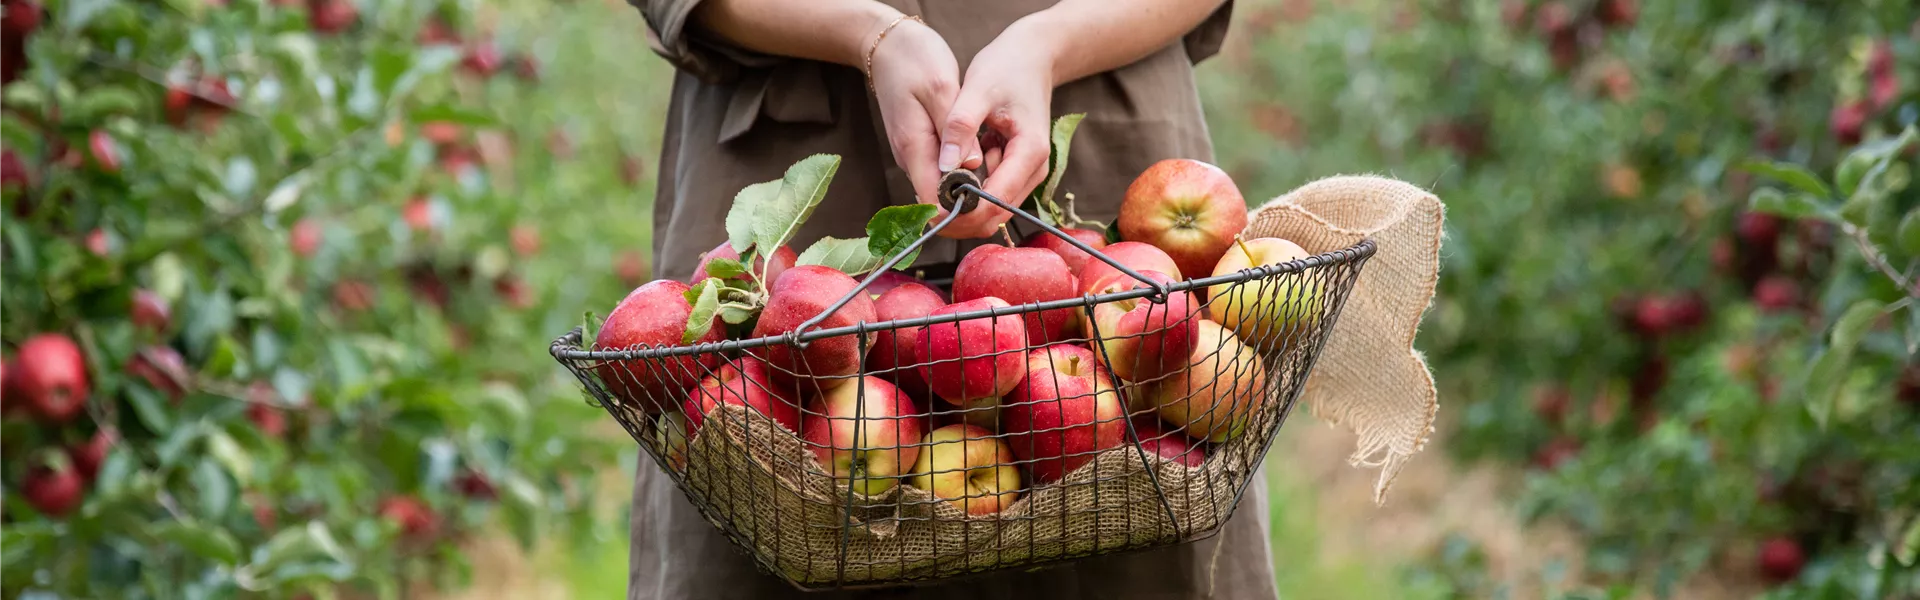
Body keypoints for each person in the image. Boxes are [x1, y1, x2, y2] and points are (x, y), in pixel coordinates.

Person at [626, 1, 1276, 598]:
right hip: (802, 144)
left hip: (1096, 122)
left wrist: (1050, 43)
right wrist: (867, 33)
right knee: (771, 505)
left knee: (1131, 524)